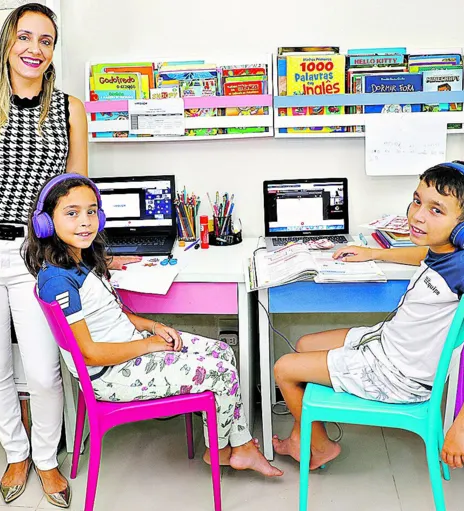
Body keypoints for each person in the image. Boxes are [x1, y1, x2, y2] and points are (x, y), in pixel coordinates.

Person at [0, 3, 102, 506]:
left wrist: (75, 256)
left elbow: (76, 190)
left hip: (38, 256)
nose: (34, 49)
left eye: (45, 40)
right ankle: (16, 452)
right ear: (7, 43)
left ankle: (47, 461)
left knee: (44, 369)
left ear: (53, 51)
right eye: (24, 37)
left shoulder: (70, 110)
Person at [26, 174, 283, 478]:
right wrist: (149, 344)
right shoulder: (59, 280)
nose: (85, 221)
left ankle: (234, 446)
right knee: (220, 372)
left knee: (223, 351)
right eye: (72, 213)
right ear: (45, 221)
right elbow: (91, 354)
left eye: (91, 211)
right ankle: (225, 450)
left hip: (129, 350)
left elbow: (114, 312)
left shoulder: (80, 260)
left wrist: (152, 326)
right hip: (110, 374)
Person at [272, 161, 464, 471]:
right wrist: (374, 253)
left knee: (284, 369)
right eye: (417, 200)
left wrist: (463, 427)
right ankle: (304, 435)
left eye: (436, 210)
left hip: (398, 375)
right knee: (304, 343)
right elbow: (423, 254)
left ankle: (319, 446)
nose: (418, 215)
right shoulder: (445, 252)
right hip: (386, 345)